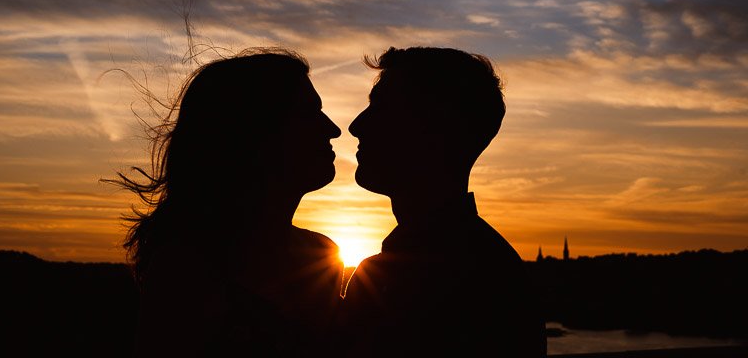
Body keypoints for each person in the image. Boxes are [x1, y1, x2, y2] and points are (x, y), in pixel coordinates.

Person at [107, 48, 344, 356]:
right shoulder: (185, 272)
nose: (333, 129)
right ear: (257, 132)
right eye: (308, 113)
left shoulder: (323, 256)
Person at [340, 46, 547, 357]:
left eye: (382, 108)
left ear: (433, 130)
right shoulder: (485, 267)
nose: (356, 126)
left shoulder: (465, 283)